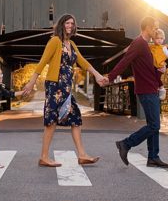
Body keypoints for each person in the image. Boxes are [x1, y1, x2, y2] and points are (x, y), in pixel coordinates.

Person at [23, 14, 108, 167]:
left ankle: (82, 155)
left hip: (66, 88)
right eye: (67, 23)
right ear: (61, 24)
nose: (70, 26)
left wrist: (97, 75)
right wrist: (31, 82)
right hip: (55, 86)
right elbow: (42, 62)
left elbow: (82, 61)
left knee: (76, 118)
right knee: (51, 121)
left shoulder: (72, 44)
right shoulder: (55, 41)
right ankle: (44, 157)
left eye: (72, 23)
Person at [110, 17, 168, 168]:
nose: (157, 31)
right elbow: (125, 60)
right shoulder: (138, 43)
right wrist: (111, 76)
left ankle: (153, 157)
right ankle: (126, 144)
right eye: (155, 28)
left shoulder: (147, 46)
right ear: (149, 28)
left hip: (152, 88)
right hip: (146, 90)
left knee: (153, 124)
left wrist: (160, 72)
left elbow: (150, 71)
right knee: (154, 125)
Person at [151, 28, 168, 100]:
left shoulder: (163, 48)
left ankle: (162, 88)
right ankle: (157, 88)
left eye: (161, 38)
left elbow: (167, 55)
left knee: (157, 77)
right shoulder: (151, 47)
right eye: (157, 38)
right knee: (153, 77)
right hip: (154, 65)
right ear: (153, 39)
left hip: (160, 66)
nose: (159, 40)